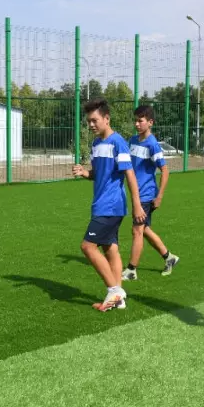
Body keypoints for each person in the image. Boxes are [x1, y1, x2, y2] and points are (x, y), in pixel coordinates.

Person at [71, 99, 146, 312]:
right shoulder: (96, 144)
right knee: (110, 248)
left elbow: (129, 174)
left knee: (87, 246)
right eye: (88, 121)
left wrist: (137, 204)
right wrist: (85, 172)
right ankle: (119, 299)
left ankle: (114, 291)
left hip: (111, 205)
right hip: (101, 204)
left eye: (94, 120)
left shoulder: (118, 142)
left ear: (107, 118)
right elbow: (98, 174)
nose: (91, 124)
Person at [122, 105, 180, 281]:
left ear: (150, 122)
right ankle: (169, 257)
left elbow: (165, 170)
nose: (136, 124)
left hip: (146, 195)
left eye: (140, 121)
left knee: (137, 230)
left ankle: (131, 270)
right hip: (136, 194)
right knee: (144, 229)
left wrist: (159, 196)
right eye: (135, 120)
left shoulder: (152, 145)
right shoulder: (133, 140)